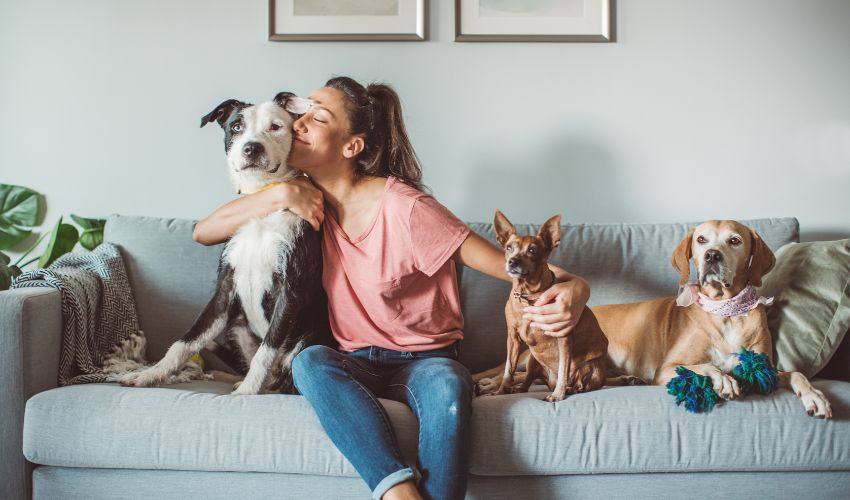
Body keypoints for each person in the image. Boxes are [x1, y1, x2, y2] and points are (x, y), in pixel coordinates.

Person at [193, 76, 590, 500]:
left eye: (318, 117)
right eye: (302, 114)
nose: (300, 122)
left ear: (352, 146)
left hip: (424, 360)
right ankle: (398, 492)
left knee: (449, 388)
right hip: (353, 360)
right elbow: (204, 232)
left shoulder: (407, 208)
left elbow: (516, 268)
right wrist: (282, 193)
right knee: (310, 363)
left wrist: (578, 290)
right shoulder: (303, 201)